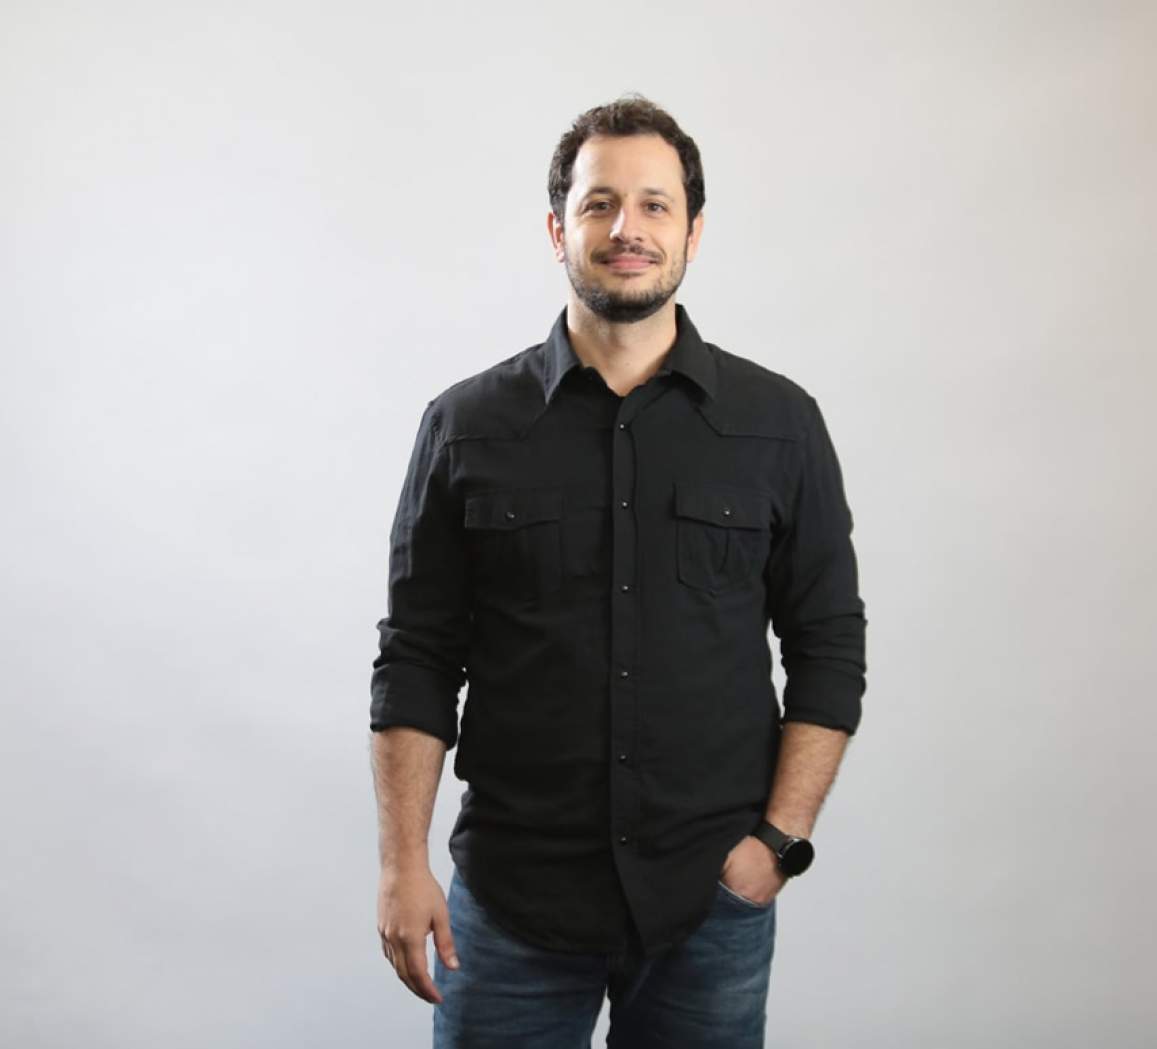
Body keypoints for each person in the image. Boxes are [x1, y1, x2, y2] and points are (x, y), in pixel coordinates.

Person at [368, 93, 867, 1049]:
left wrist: (776, 844)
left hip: (708, 905)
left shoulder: (779, 425)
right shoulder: (466, 426)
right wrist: (401, 864)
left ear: (693, 232)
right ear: (559, 229)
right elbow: (417, 656)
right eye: (599, 204)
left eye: (654, 204)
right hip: (509, 902)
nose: (626, 228)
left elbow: (829, 645)